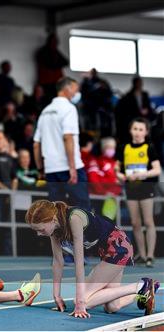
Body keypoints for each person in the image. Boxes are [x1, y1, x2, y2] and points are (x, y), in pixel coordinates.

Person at [26, 200, 159, 318]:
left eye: (41, 229)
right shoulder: (54, 229)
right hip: (107, 251)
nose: (39, 234)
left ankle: (142, 286)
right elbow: (57, 261)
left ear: (52, 219)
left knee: (85, 301)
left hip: (118, 248)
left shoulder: (74, 218)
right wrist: (57, 295)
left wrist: (80, 302)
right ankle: (144, 286)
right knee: (112, 307)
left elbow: (79, 262)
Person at [33, 77, 90, 209]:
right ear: (67, 89)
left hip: (51, 169)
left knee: (57, 214)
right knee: (82, 213)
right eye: (76, 90)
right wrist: (72, 167)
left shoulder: (45, 112)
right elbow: (68, 137)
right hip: (68, 169)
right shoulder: (69, 108)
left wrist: (41, 169)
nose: (77, 93)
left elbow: (36, 144)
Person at [116, 118, 161, 268]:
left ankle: (150, 255)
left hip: (146, 188)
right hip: (130, 189)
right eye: (135, 129)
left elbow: (157, 169)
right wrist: (120, 175)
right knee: (135, 223)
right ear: (130, 130)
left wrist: (144, 175)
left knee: (148, 221)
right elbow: (117, 168)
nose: (137, 132)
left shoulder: (149, 148)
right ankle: (141, 254)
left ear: (146, 132)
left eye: (141, 129)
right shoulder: (124, 148)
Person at [115, 77, 153, 144]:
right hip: (133, 119)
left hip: (144, 119)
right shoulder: (128, 95)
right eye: (138, 83)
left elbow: (149, 107)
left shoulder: (145, 94)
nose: (140, 84)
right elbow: (125, 110)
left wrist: (146, 111)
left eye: (140, 83)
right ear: (134, 84)